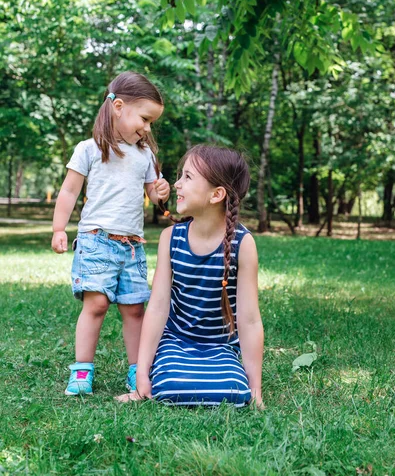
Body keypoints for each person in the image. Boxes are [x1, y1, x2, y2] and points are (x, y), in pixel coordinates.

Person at [116, 145, 264, 407]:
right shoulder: (171, 238)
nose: (176, 184)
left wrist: (255, 390)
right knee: (168, 386)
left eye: (187, 177)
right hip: (176, 341)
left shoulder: (244, 243)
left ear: (216, 194)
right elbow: (158, 307)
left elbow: (249, 320)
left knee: (235, 392)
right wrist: (142, 373)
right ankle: (170, 374)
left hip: (220, 347)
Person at [51, 71, 170, 396]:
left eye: (151, 123)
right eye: (144, 118)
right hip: (96, 240)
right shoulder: (89, 149)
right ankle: (81, 372)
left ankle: (137, 371)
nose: (147, 128)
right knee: (97, 304)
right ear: (118, 107)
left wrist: (162, 189)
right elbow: (68, 191)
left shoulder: (144, 155)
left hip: (132, 246)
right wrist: (59, 228)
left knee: (134, 308)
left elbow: (155, 197)